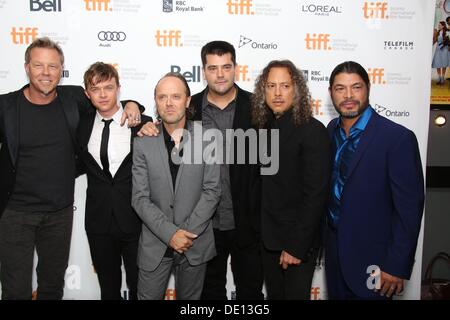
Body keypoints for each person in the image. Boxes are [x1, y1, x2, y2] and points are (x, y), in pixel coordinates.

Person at [0, 37, 142, 300]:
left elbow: (108, 100)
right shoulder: (6, 107)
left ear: (61, 70)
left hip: (59, 214)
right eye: (39, 65)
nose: (46, 73)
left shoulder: (73, 98)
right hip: (15, 214)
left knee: (52, 288)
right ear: (26, 67)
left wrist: (134, 106)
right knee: (15, 290)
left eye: (53, 66)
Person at [139, 41, 264, 300]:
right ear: (203, 71)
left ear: (235, 69)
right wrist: (138, 116)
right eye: (212, 68)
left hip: (245, 223)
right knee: (208, 297)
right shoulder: (188, 106)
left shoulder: (257, 108)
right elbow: (162, 127)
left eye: (226, 67)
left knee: (250, 295)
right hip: (203, 228)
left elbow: (270, 166)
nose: (220, 74)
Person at [325, 61, 425, 300]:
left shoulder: (397, 138)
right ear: (331, 93)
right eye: (340, 88)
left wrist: (396, 265)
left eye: (356, 87)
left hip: (376, 261)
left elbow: (409, 209)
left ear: (368, 89)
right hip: (335, 255)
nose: (348, 95)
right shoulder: (330, 131)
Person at [132, 72, 221, 300]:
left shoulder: (209, 138)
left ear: (188, 100)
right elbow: (140, 199)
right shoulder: (143, 142)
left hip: (195, 241)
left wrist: (185, 235)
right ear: (156, 102)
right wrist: (171, 234)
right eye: (162, 97)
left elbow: (212, 191)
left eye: (175, 96)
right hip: (155, 243)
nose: (169, 103)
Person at [251, 60, 331, 299]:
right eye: (271, 86)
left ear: (296, 90)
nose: (277, 93)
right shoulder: (263, 129)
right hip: (268, 241)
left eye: (285, 85)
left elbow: (315, 195)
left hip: (295, 244)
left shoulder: (312, 130)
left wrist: (295, 246)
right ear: (262, 91)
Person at [77, 62, 152, 300]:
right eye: (95, 89)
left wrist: (134, 105)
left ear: (119, 88)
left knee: (141, 287)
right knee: (108, 290)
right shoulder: (82, 123)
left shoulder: (142, 122)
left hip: (135, 219)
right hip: (98, 222)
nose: (102, 94)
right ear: (87, 93)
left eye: (108, 87)